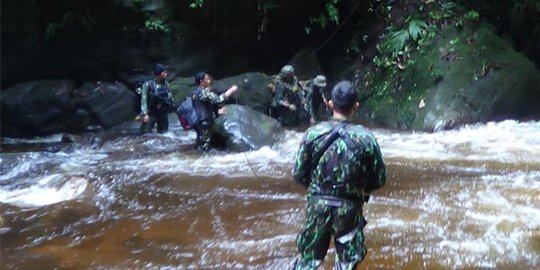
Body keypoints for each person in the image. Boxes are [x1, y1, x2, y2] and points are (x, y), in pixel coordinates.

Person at [289, 80, 387, 270]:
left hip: (317, 205)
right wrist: (359, 188)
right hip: (349, 208)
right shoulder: (366, 139)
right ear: (356, 107)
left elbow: (298, 173)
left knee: (307, 262)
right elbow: (379, 179)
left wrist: (317, 190)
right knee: (347, 263)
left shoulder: (312, 134)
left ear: (330, 104)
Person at [191, 71, 239, 151]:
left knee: (201, 143)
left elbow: (204, 106)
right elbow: (218, 100)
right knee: (204, 147)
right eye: (207, 79)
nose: (209, 81)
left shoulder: (196, 92)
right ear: (201, 82)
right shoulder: (202, 92)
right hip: (204, 124)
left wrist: (216, 112)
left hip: (200, 122)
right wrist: (231, 90)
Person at [139, 63, 176, 135]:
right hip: (150, 113)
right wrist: (145, 114)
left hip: (162, 113)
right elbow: (143, 100)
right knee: (145, 134)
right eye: (164, 72)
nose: (166, 74)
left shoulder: (166, 84)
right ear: (159, 74)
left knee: (164, 134)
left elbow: (170, 97)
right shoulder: (148, 85)